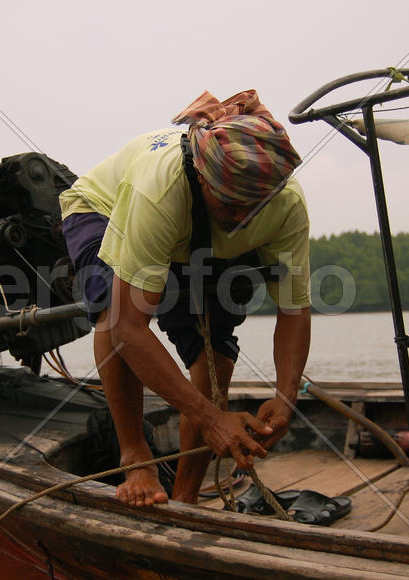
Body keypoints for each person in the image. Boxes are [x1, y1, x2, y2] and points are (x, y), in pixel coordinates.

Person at [59, 89, 311, 507]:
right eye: (229, 204)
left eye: (252, 209)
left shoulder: (286, 205)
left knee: (216, 356)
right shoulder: (160, 191)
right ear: (201, 176)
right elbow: (127, 325)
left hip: (191, 237)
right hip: (103, 207)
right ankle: (136, 458)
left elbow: (294, 310)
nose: (238, 217)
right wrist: (211, 419)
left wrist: (286, 397)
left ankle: (185, 498)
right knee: (112, 307)